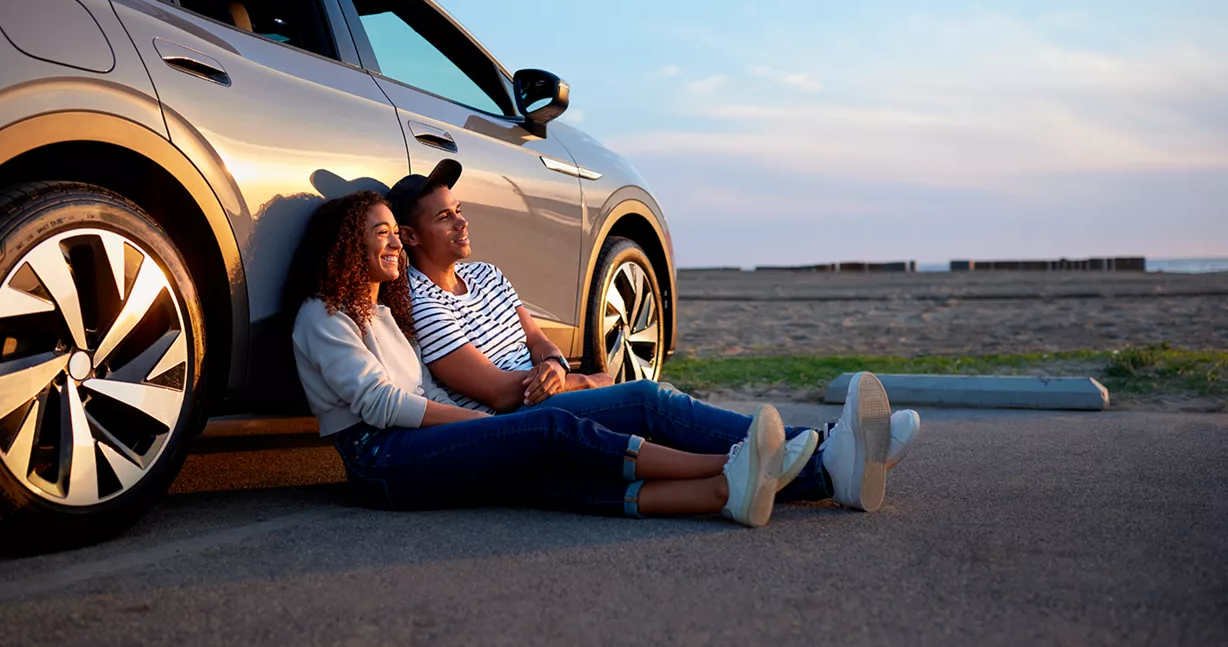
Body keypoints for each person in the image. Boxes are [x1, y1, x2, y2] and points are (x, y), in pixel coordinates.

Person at [389, 160, 922, 513]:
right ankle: (832, 450)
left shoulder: (487, 275)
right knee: (648, 400)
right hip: (518, 423)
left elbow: (537, 340)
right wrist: (577, 381)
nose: (461, 223)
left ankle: (830, 469)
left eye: (459, 210)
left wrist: (556, 366)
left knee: (661, 416)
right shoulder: (421, 300)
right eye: (444, 217)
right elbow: (499, 393)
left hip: (548, 394)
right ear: (411, 237)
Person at [288, 189, 816, 527]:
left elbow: (422, 390)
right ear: (343, 246)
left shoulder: (383, 313)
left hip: (413, 445)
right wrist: (478, 425)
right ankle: (732, 463)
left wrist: (504, 411)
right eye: (381, 234)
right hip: (379, 459)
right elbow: (381, 405)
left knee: (546, 477)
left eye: (394, 236)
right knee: (547, 431)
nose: (395, 247)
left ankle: (732, 491)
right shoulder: (322, 316)